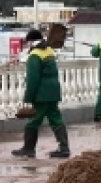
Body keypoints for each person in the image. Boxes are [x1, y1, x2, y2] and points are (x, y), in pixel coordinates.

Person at [12, 28, 69, 159]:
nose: (27, 45)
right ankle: (64, 147)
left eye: (28, 42)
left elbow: (33, 79)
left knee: (33, 121)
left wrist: (28, 96)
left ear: (31, 42)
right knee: (56, 120)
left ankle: (28, 148)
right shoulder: (49, 51)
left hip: (42, 93)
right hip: (53, 91)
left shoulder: (35, 55)